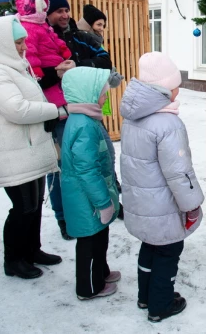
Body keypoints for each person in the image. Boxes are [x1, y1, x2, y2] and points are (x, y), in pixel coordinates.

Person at [0, 15, 62, 279]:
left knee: (33, 205)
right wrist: (55, 110)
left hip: (28, 148)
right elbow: (16, 109)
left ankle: (32, 250)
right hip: (10, 152)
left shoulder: (15, 67)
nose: (24, 46)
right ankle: (13, 260)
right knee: (22, 208)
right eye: (18, 42)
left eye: (23, 41)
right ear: (0, 44)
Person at [120, 52, 204, 322]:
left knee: (150, 246)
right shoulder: (167, 124)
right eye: (176, 83)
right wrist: (191, 206)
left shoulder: (134, 118)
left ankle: (145, 297)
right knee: (168, 251)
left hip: (142, 203)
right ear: (167, 87)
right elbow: (179, 173)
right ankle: (161, 305)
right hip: (164, 206)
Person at [43, 0, 117, 239]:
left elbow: (107, 66)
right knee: (65, 167)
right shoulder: (40, 41)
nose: (64, 15)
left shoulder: (81, 38)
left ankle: (108, 200)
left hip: (91, 108)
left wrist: (77, 64)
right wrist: (59, 73)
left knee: (105, 153)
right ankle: (65, 216)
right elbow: (40, 78)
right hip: (60, 116)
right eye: (58, 11)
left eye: (66, 10)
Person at [59, 66, 120, 300]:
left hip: (89, 197)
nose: (105, 96)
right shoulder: (84, 125)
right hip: (88, 199)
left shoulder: (86, 119)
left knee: (99, 236)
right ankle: (89, 287)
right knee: (89, 243)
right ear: (88, 93)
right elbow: (87, 170)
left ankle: (101, 273)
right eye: (102, 92)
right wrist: (103, 202)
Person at [76, 4, 125, 216]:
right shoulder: (79, 42)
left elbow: (105, 71)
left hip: (97, 104)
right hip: (83, 106)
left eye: (103, 25)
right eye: (98, 24)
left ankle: (111, 188)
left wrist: (110, 78)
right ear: (88, 24)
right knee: (102, 154)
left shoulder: (96, 43)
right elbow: (86, 74)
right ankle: (105, 199)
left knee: (105, 152)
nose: (101, 29)